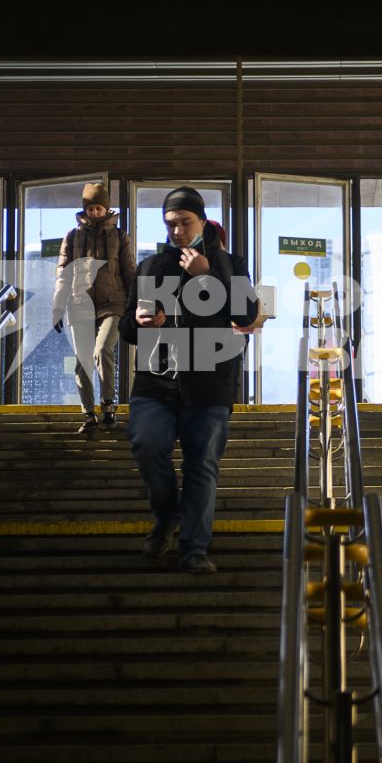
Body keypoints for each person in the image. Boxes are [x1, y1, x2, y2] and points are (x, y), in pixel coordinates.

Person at [120, 187, 260, 574]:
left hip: (211, 382)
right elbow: (126, 328)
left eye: (185, 222)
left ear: (202, 221)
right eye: (171, 224)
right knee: (146, 444)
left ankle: (193, 549)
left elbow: (246, 313)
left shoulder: (231, 263)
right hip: (156, 380)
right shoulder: (150, 267)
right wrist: (140, 322)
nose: (178, 231)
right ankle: (166, 517)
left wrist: (210, 275)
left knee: (202, 466)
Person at [51, 181, 134, 436]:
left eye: (99, 208)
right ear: (85, 209)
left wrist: (134, 305)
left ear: (106, 208)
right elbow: (63, 274)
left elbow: (130, 272)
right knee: (83, 361)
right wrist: (57, 307)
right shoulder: (72, 237)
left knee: (102, 349)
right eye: (91, 208)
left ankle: (108, 405)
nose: (95, 212)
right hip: (80, 304)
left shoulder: (119, 236)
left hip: (114, 303)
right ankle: (89, 414)